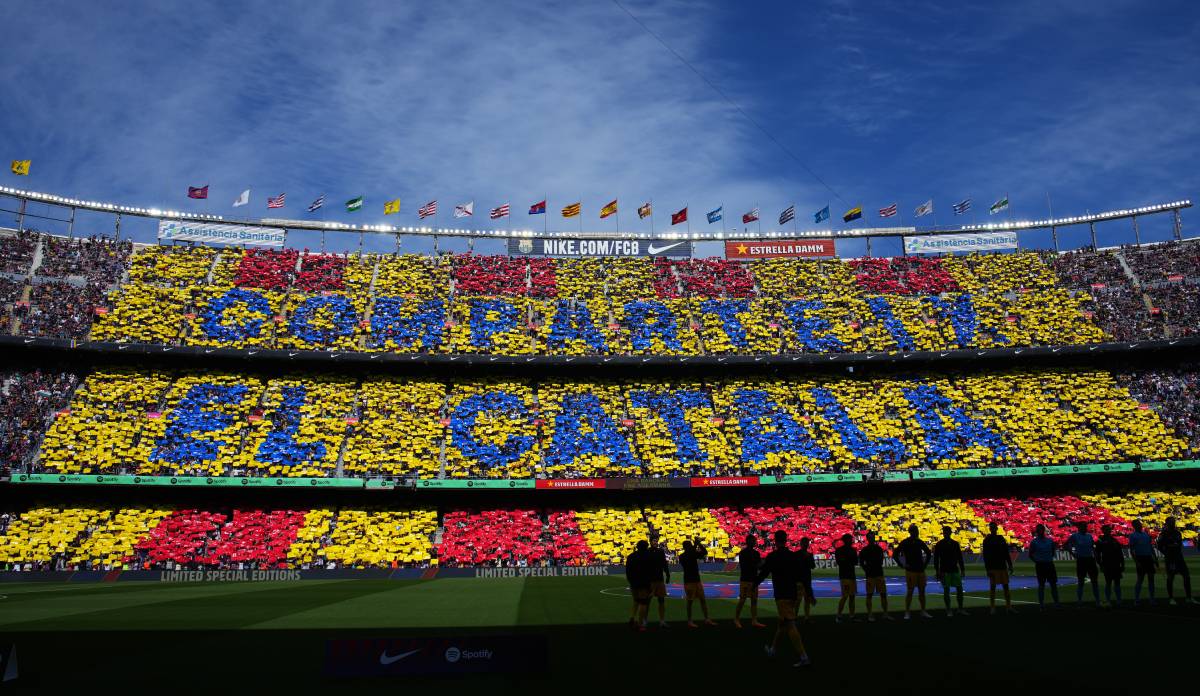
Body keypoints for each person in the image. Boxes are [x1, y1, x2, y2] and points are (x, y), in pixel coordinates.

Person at [755, 530, 811, 668]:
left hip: (781, 594)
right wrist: (809, 592)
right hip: (792, 594)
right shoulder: (792, 556)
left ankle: (804, 656)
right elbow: (802, 575)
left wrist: (753, 585)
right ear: (786, 540)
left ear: (775, 540)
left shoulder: (772, 556)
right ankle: (773, 650)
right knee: (782, 623)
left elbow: (763, 573)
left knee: (790, 625)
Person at [894, 524, 933, 619]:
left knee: (921, 591)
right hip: (912, 570)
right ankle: (908, 612)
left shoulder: (918, 542)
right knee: (911, 591)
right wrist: (901, 564)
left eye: (917, 531)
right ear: (911, 532)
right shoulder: (906, 542)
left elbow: (928, 553)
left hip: (919, 570)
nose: (917, 532)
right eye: (915, 531)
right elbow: (895, 554)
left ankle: (922, 611)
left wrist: (925, 564)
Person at [1157, 517, 1195, 605]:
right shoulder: (1164, 534)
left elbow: (1179, 544)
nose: (1173, 523)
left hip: (1179, 558)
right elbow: (1159, 546)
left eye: (1173, 522)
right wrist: (1166, 553)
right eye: (1171, 522)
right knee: (1170, 578)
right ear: (1167, 523)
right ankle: (1171, 598)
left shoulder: (1177, 533)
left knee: (1186, 576)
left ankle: (1189, 597)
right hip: (1170, 559)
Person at [680, 538, 716, 627]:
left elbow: (704, 552)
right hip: (689, 581)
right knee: (690, 601)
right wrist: (696, 544)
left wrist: (699, 544)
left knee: (702, 600)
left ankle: (707, 619)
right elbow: (690, 555)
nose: (691, 547)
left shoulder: (691, 553)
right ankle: (689, 621)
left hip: (696, 580)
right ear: (686, 547)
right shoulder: (683, 556)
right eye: (690, 546)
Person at [981, 522, 1015, 615]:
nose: (993, 529)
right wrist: (987, 569)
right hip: (993, 566)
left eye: (994, 527)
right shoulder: (987, 540)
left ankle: (1008, 606)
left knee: (1006, 587)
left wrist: (1010, 565)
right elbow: (986, 556)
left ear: (996, 528)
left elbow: (1006, 553)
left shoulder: (1001, 538)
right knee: (993, 587)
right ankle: (992, 607)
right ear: (990, 529)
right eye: (992, 527)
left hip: (1002, 566)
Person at [933, 525, 966, 617]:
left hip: (954, 569)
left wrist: (962, 569)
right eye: (944, 532)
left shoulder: (955, 544)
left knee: (959, 589)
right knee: (946, 590)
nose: (946, 533)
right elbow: (936, 559)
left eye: (947, 532)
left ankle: (960, 608)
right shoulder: (939, 544)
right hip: (944, 570)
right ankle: (948, 610)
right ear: (943, 533)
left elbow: (960, 557)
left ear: (950, 533)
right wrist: (937, 571)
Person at [859, 531, 893, 621]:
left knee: (883, 594)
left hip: (879, 574)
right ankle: (870, 614)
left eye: (873, 537)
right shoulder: (865, 550)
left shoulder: (878, 549)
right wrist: (866, 569)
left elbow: (880, 560)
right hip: (870, 575)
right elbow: (861, 562)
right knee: (869, 595)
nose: (872, 539)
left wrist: (866, 568)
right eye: (870, 537)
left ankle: (885, 613)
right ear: (868, 539)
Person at [734, 534, 766, 629]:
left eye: (754, 540)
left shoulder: (755, 553)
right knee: (742, 600)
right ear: (748, 542)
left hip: (753, 579)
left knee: (754, 600)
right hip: (746, 579)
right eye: (753, 540)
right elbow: (750, 566)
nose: (754, 542)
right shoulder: (743, 553)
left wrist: (761, 564)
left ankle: (754, 620)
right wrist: (761, 564)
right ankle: (736, 619)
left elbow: (759, 566)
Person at [1066, 521, 1101, 607]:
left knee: (1094, 581)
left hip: (1090, 559)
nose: (1085, 528)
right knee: (1081, 581)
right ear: (1079, 528)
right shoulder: (1075, 536)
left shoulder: (1089, 536)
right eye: (1083, 526)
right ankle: (1079, 600)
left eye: (1085, 526)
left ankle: (1097, 600)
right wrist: (1073, 553)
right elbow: (1066, 545)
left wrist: (1096, 557)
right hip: (1081, 560)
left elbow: (1093, 547)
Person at [1028, 524, 1061, 610]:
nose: (1039, 532)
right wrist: (1037, 561)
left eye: (1040, 530)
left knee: (1053, 585)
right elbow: (1030, 554)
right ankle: (1042, 604)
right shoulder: (1034, 542)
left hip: (1048, 564)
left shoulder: (1049, 541)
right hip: (1041, 565)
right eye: (1038, 530)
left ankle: (1056, 603)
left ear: (1043, 531)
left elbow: (1053, 551)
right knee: (1042, 585)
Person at [1127, 519, 1157, 606]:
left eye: (1139, 524)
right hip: (1140, 558)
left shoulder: (1146, 535)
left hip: (1148, 558)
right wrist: (1136, 561)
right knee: (1140, 579)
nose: (1140, 525)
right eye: (1137, 524)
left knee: (1151, 579)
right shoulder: (1133, 536)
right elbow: (1132, 550)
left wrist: (1155, 558)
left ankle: (1152, 598)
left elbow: (1151, 548)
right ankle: (1136, 599)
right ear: (1134, 526)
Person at [1096, 524, 1125, 608]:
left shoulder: (1114, 540)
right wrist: (1100, 564)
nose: (1108, 531)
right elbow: (1097, 554)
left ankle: (1118, 600)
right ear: (1103, 531)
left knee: (1117, 583)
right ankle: (1108, 600)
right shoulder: (1100, 540)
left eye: (1109, 529)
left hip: (1116, 564)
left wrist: (1122, 564)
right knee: (1108, 582)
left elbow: (1120, 554)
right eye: (1106, 529)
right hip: (1107, 564)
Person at [625, 540, 651, 631]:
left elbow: (628, 571)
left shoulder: (631, 556)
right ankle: (640, 624)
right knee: (643, 603)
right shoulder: (648, 556)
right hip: (644, 583)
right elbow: (650, 570)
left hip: (634, 583)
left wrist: (630, 581)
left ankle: (632, 617)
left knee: (636, 600)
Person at [834, 533, 858, 623]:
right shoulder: (840, 550)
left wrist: (846, 559)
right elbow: (840, 562)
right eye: (849, 539)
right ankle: (839, 615)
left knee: (852, 596)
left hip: (852, 576)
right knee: (845, 596)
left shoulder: (852, 550)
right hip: (845, 576)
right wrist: (849, 560)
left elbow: (855, 561)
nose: (851, 541)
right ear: (845, 540)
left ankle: (852, 615)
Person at [647, 535, 671, 627]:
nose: (655, 542)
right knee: (647, 601)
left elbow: (664, 564)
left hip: (660, 580)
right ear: (650, 542)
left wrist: (668, 575)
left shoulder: (660, 551)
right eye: (654, 541)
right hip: (650, 581)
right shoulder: (647, 552)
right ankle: (645, 620)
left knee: (661, 601)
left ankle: (662, 621)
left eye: (656, 541)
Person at [797, 536, 818, 622]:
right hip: (799, 580)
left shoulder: (809, 555)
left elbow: (813, 566)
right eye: (804, 543)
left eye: (806, 543)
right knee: (798, 601)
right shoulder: (797, 555)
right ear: (801, 544)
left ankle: (806, 617)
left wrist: (808, 559)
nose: (805, 545)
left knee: (806, 599)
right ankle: (795, 616)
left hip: (806, 579)